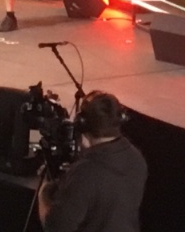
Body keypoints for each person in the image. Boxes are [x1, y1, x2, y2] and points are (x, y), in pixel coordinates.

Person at [37, 92, 147, 232]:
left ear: (82, 124)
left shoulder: (85, 173)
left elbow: (55, 227)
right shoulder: (137, 158)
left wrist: (43, 191)